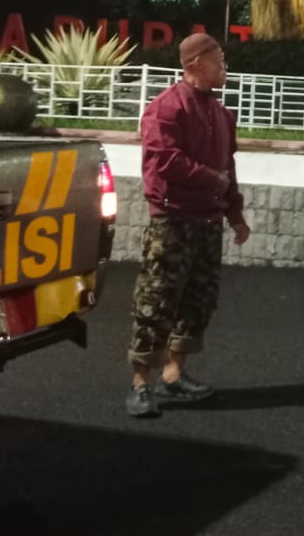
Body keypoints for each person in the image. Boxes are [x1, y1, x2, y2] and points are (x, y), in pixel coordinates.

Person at [125, 32, 251, 419]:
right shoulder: (165, 108)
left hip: (208, 220)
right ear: (196, 63)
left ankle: (174, 374)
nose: (225, 67)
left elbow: (228, 169)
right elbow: (164, 161)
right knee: (156, 301)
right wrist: (211, 179)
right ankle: (140, 384)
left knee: (198, 301)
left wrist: (234, 214)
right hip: (172, 221)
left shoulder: (221, 115)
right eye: (219, 59)